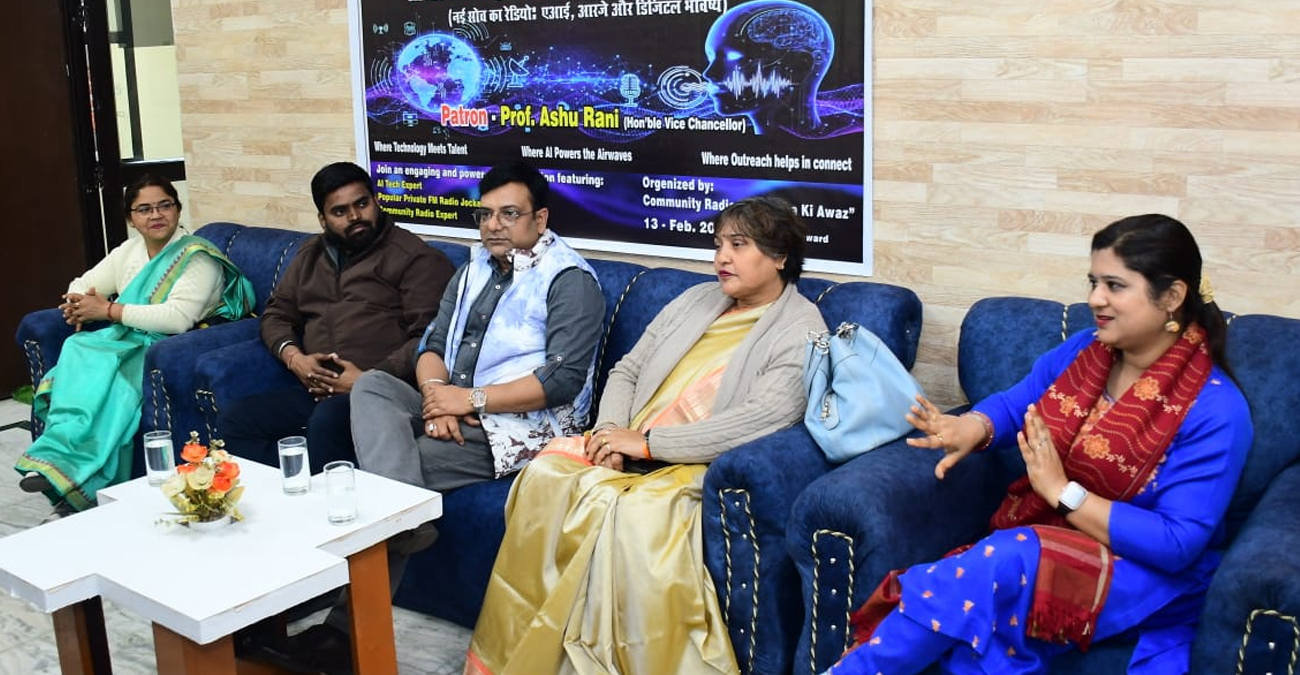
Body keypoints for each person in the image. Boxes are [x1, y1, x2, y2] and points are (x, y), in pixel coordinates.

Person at [824, 214, 1253, 675]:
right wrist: (971, 427)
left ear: (1171, 296)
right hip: (1053, 539)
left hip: (1146, 572)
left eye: (1115, 286)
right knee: (980, 626)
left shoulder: (1216, 410)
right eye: (1093, 282)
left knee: (1006, 562)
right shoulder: (1086, 352)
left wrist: (1063, 493)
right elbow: (1019, 403)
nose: (1095, 299)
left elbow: (1177, 543)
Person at [263, 160, 606, 674]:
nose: (493, 225)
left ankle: (341, 631)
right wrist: (435, 395)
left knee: (384, 482)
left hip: (520, 429)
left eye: (509, 214)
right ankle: (406, 521)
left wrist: (467, 401)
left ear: (540, 218)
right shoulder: (473, 269)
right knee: (372, 386)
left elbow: (561, 382)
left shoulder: (570, 280)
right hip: (455, 404)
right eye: (485, 214)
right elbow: (432, 345)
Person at [464, 196, 828, 675]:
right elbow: (628, 369)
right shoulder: (695, 300)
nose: (722, 258)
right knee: (546, 475)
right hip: (626, 443)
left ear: (780, 256)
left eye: (739, 246)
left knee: (630, 513)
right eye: (718, 245)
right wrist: (609, 432)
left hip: (691, 465)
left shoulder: (801, 328)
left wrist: (651, 445)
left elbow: (764, 418)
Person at [14, 174, 254, 516]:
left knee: (111, 381)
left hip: (171, 349)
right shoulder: (129, 252)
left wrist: (108, 310)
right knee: (79, 348)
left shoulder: (196, 257)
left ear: (178, 209)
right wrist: (77, 305)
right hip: (127, 338)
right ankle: (57, 461)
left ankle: (76, 476)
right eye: (144, 209)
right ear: (131, 218)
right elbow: (82, 283)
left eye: (164, 205)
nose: (156, 215)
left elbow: (177, 318)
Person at [215, 161, 455, 472]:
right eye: (340, 211)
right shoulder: (310, 255)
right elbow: (276, 314)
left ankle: (329, 491)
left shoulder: (415, 258)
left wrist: (367, 380)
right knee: (236, 421)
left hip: (384, 393)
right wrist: (295, 359)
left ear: (376, 200)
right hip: (317, 390)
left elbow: (430, 337)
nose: (355, 217)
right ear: (323, 219)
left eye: (362, 204)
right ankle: (301, 485)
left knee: (326, 422)